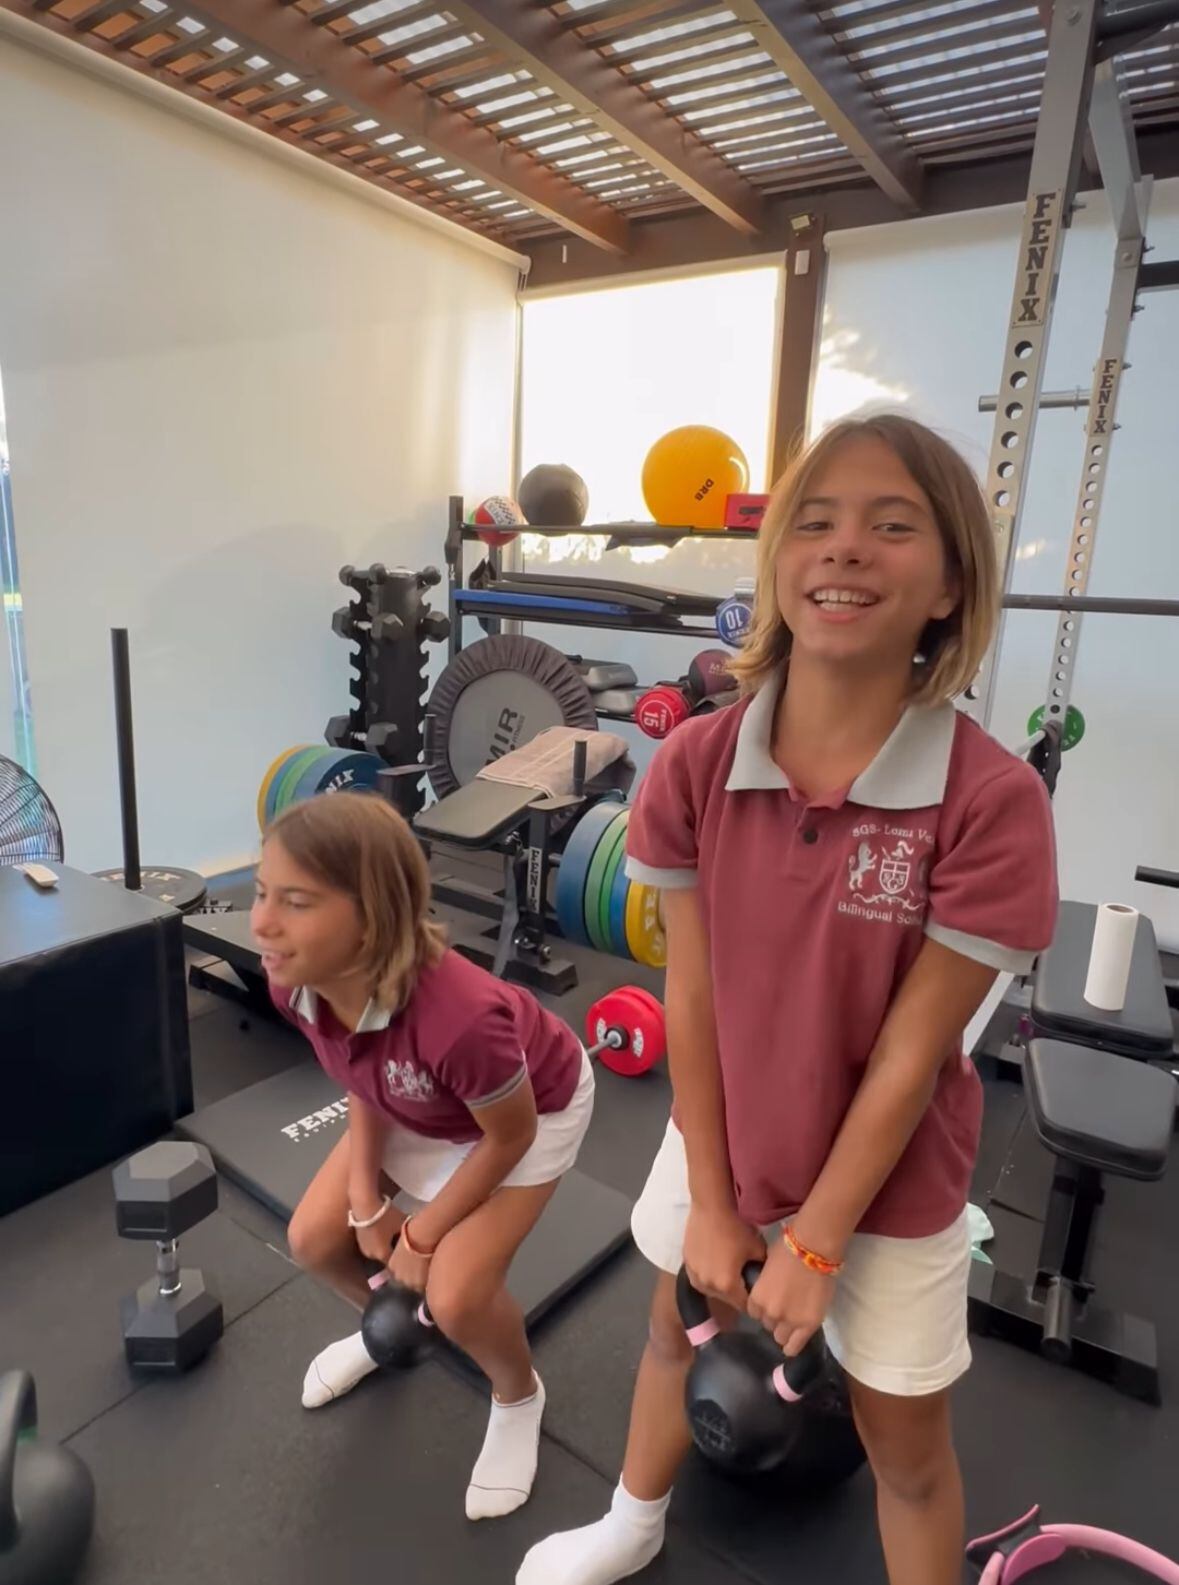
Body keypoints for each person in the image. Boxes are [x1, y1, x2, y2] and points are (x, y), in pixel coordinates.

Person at [517, 413, 1059, 1585]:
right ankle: (633, 1518)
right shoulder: (699, 764)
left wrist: (813, 1247)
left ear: (951, 584)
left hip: (892, 1179)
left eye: (891, 525)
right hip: (717, 1135)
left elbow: (915, 1054)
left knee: (903, 1444)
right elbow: (694, 994)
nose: (844, 548)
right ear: (775, 567)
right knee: (670, 1328)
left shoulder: (993, 801)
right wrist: (715, 1198)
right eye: (814, 523)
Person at [251, 791, 595, 1520]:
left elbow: (510, 1135)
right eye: (259, 891)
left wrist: (423, 1232)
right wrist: (368, 1203)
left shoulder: (459, 1016)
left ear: (370, 916)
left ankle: (518, 1393)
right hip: (422, 1097)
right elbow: (362, 1074)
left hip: (530, 1106)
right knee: (314, 1239)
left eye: (295, 900)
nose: (262, 921)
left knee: (459, 1294)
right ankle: (385, 1332)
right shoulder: (294, 983)